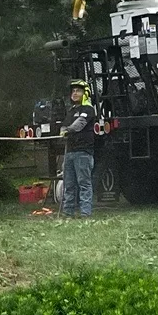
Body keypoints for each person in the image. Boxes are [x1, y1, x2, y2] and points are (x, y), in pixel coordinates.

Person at [60, 78, 96, 218]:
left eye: (78, 91)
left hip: (83, 152)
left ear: (85, 93)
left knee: (84, 184)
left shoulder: (88, 109)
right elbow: (64, 125)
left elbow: (79, 124)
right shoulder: (71, 110)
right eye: (73, 91)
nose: (75, 93)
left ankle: (85, 213)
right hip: (70, 151)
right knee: (69, 184)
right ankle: (67, 213)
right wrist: (62, 130)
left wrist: (67, 130)